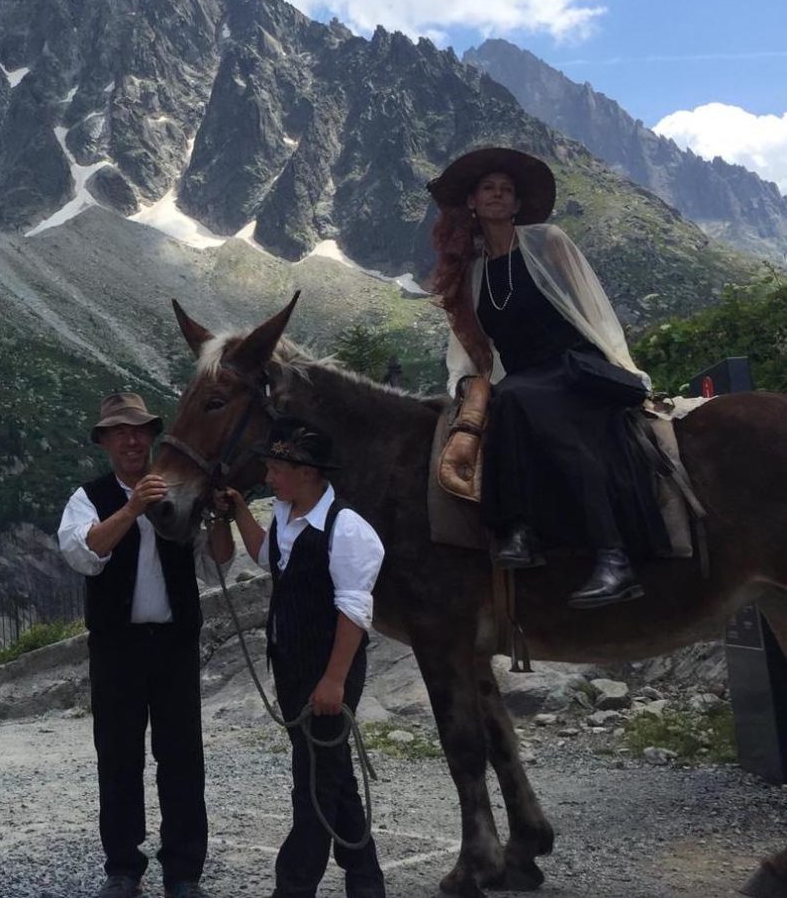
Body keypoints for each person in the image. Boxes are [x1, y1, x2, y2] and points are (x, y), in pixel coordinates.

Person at [428, 146, 661, 607]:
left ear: (516, 205)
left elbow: (591, 308)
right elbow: (471, 345)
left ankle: (610, 556)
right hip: (526, 379)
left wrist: (620, 361)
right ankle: (521, 532)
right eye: (488, 189)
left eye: (506, 190)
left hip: (576, 365)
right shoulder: (472, 273)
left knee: (516, 398)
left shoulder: (548, 241)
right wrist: (463, 383)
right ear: (472, 202)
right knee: (507, 397)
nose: (497, 196)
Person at [211, 417, 386, 898]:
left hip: (328, 669)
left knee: (312, 783)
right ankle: (365, 879)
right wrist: (240, 511)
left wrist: (333, 681)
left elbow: (354, 612)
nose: (270, 476)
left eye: (277, 468)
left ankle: (294, 884)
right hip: (293, 668)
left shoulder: (347, 529)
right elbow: (268, 555)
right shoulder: (288, 517)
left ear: (308, 472)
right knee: (331, 771)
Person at [57, 392, 223, 898]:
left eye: (139, 430)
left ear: (152, 436)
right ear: (105, 442)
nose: (131, 440)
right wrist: (132, 508)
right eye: (119, 432)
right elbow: (83, 554)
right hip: (118, 645)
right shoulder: (88, 498)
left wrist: (223, 516)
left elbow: (219, 561)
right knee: (118, 755)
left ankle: (183, 871)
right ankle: (124, 866)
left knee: (182, 756)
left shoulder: (183, 489)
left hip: (173, 641)